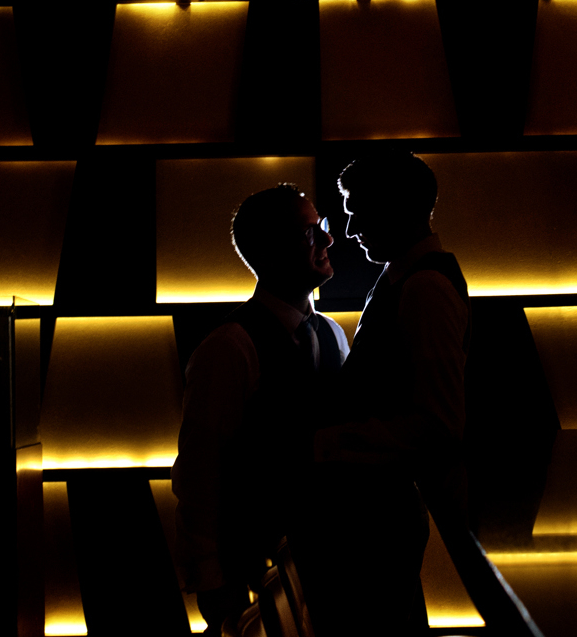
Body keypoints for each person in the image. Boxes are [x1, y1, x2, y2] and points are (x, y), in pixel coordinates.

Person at [296, 151, 471, 637]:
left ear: (395, 208)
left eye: (357, 209)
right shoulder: (405, 278)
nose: (349, 229)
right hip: (378, 520)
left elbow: (439, 427)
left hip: (379, 527)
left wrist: (325, 443)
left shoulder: (424, 289)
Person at [172, 184, 350, 636]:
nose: (328, 240)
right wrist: (210, 579)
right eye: (310, 233)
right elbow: (200, 470)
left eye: (322, 228)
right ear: (271, 251)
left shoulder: (333, 334)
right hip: (255, 573)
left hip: (333, 568)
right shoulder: (228, 349)